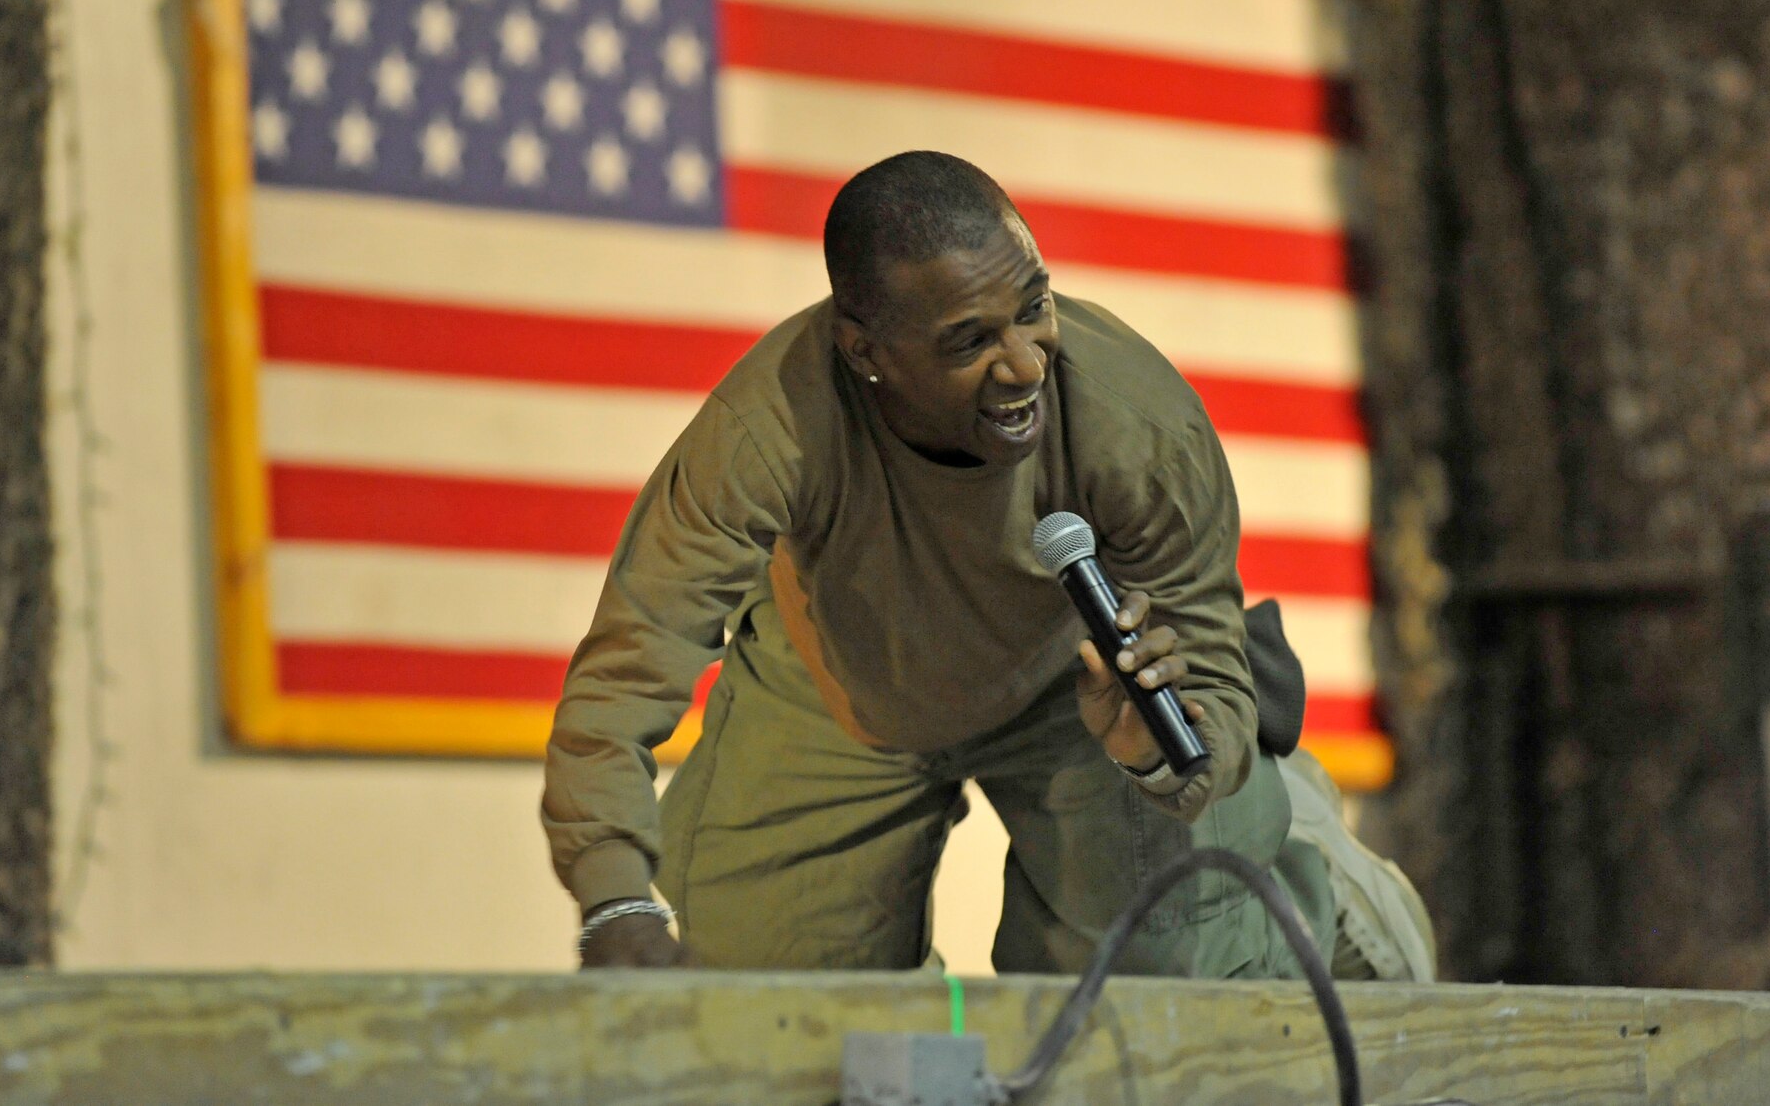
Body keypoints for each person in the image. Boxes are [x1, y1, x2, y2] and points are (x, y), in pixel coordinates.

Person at [541, 150, 1433, 979]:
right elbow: (629, 665)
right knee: (757, 1007)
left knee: (1142, 999)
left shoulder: (1137, 423)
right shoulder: (767, 427)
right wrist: (611, 893)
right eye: (968, 342)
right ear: (865, 353)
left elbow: (1212, 675)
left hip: (1071, 685)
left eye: (1034, 308)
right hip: (840, 680)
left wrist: (1166, 755)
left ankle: (1312, 880)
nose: (1023, 364)